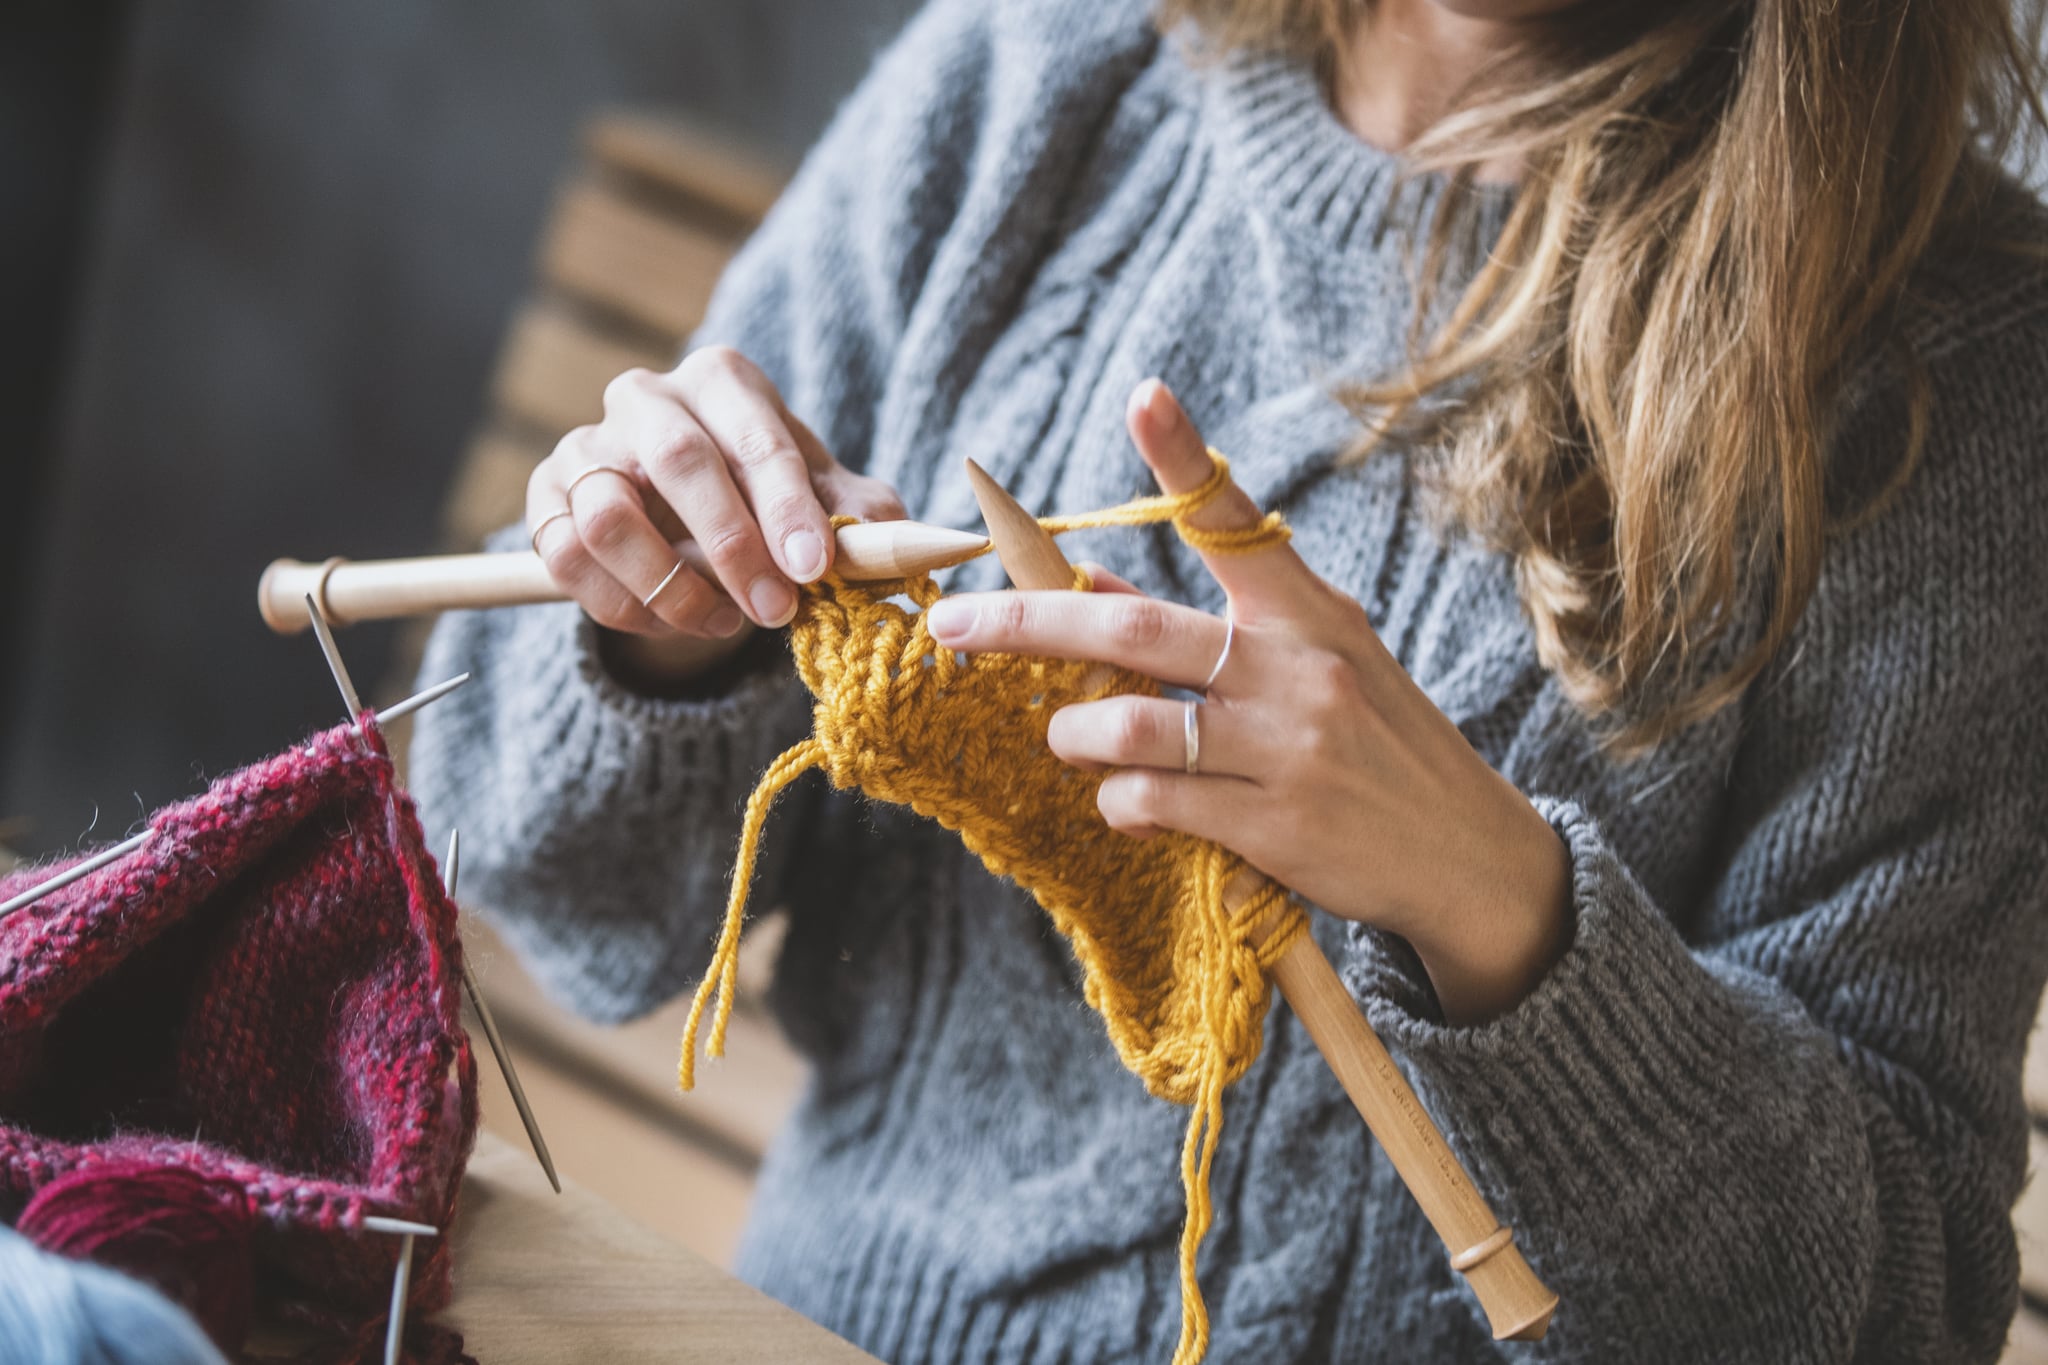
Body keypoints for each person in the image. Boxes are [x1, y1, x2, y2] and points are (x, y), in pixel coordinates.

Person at [410, 0, 2048, 1358]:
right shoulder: (1051, 66)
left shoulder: (1956, 356)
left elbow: (1899, 1314)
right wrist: (665, 630)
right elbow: (535, 871)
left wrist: (1497, 901)